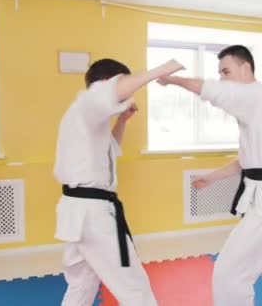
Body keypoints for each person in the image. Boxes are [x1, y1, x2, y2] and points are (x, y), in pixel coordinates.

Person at [157, 45, 262, 306]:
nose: (223, 78)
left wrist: (171, 79)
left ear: (245, 68)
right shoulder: (259, 103)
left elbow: (211, 90)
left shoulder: (257, 97)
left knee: (228, 272)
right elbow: (249, 161)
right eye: (220, 73)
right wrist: (212, 177)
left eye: (226, 71)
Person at [54, 58, 183, 306]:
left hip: (78, 212)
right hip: (92, 214)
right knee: (135, 288)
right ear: (105, 83)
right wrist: (165, 68)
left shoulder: (87, 117)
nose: (128, 94)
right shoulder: (88, 100)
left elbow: (108, 151)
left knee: (82, 285)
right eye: (124, 85)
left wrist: (121, 121)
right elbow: (115, 90)